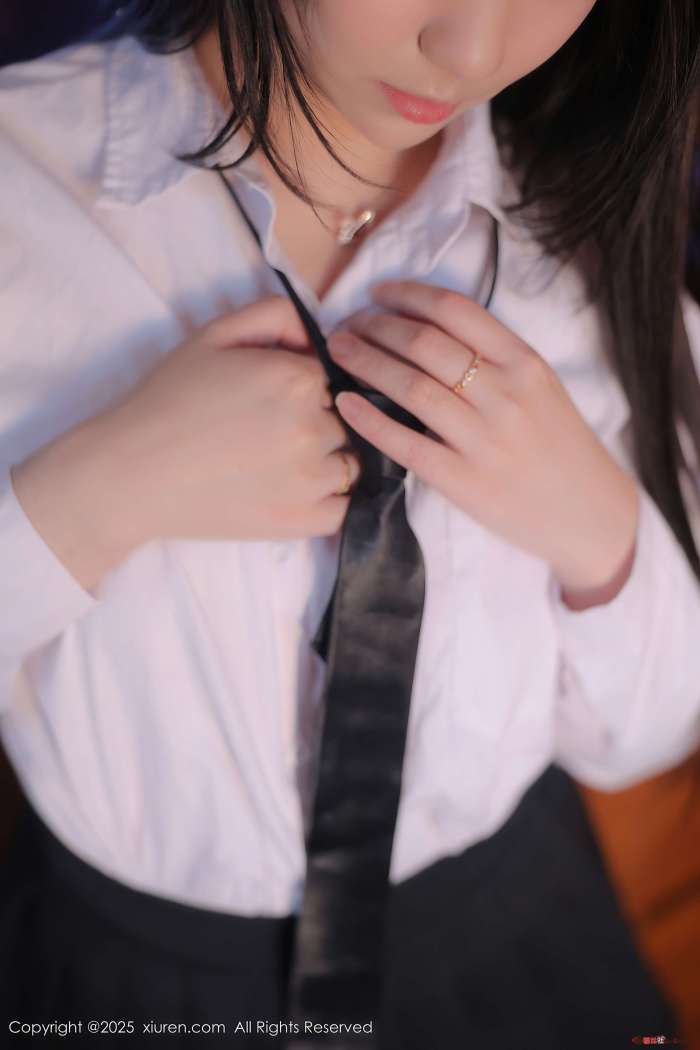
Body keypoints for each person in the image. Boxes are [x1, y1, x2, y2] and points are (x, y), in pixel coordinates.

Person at [1, 1, 699, 1047]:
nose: (470, 50)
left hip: (517, 944)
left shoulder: (588, 216)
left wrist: (599, 532)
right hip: (122, 979)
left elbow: (642, 737)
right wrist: (88, 499)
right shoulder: (20, 188)